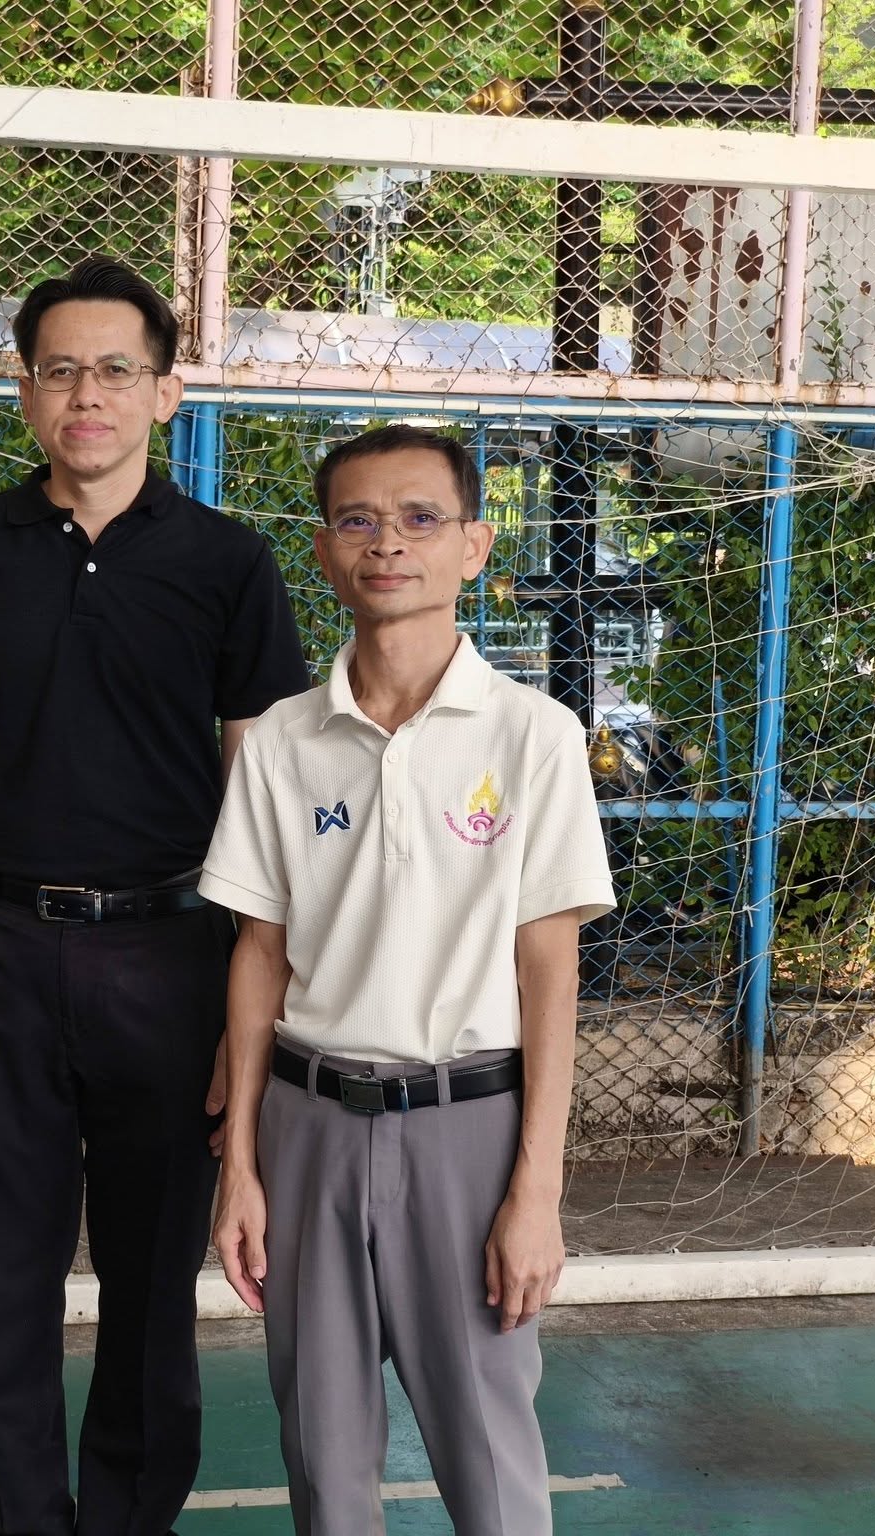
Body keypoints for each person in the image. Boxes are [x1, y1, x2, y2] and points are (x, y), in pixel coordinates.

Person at [0, 255, 311, 1535]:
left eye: (116, 370)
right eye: (58, 370)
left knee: (150, 1282)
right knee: (0, 1278)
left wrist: (253, 1015)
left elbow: (261, 797)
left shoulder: (226, 563)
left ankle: (126, 1517)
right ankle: (15, 1517)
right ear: (26, 393)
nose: (86, 395)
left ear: (165, 392)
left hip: (171, 959)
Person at [201, 424, 616, 1536]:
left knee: (490, 1466)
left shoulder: (533, 736)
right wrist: (240, 1168)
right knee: (324, 1460)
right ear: (325, 551)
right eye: (358, 520)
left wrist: (536, 1192)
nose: (388, 542)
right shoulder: (282, 741)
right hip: (309, 1129)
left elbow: (548, 968)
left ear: (474, 546)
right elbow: (258, 955)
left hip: (467, 1131)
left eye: (420, 518)